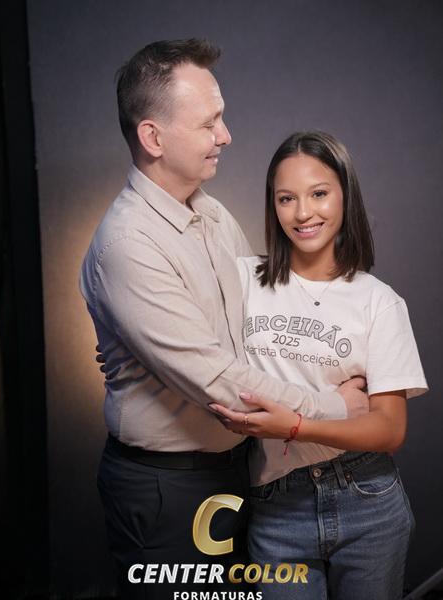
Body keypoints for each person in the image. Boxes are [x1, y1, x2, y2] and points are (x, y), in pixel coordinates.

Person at [80, 40, 367, 600]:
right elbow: (221, 381)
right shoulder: (127, 246)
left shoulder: (210, 213)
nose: (226, 135)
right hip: (168, 489)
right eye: (209, 122)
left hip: (235, 471)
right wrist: (339, 408)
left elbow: (258, 319)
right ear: (153, 137)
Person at [210, 131, 428, 600]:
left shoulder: (379, 302)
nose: (303, 213)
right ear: (273, 205)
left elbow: (389, 429)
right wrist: (134, 354)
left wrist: (295, 427)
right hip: (276, 507)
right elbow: (181, 332)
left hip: (367, 501)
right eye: (286, 198)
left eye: (319, 194)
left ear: (345, 195)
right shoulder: (242, 279)